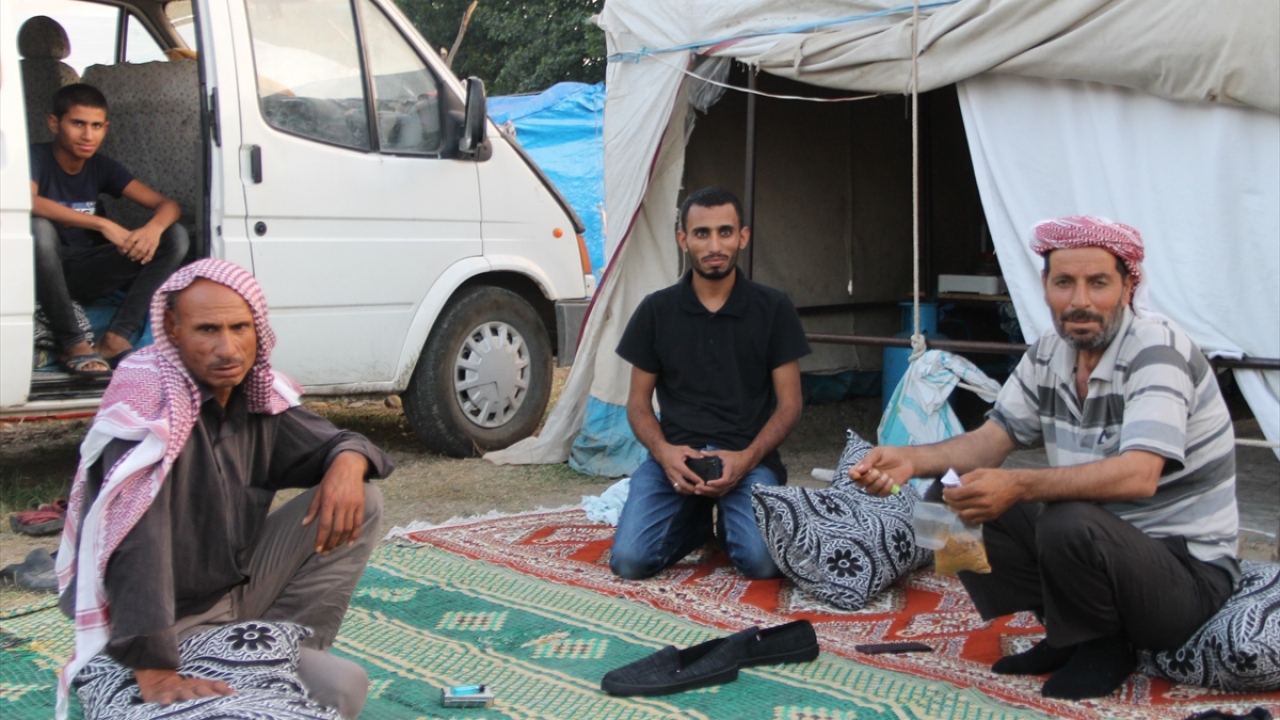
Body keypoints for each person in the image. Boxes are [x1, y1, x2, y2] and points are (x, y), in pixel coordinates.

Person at [850, 216, 1238, 700]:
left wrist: (1018, 486)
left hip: (1187, 576)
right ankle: (1064, 632)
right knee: (948, 495)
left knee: (1065, 519)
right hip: (1104, 551)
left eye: (1098, 283)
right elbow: (992, 440)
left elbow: (1140, 475)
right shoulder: (1049, 353)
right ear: (1044, 287)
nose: (1080, 301)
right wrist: (911, 459)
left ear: (1127, 288)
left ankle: (1104, 646)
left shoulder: (1155, 350)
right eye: (1064, 283)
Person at [55, 259, 393, 720]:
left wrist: (349, 462)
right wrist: (156, 672)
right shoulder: (147, 406)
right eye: (208, 330)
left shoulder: (253, 396)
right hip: (157, 627)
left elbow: (343, 443)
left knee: (363, 504)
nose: (227, 348)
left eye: (239, 328)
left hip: (233, 598)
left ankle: (274, 652)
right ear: (172, 329)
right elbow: (137, 545)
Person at [609, 186, 811, 580]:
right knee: (630, 562)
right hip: (676, 459)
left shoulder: (774, 308)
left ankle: (728, 524)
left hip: (747, 460)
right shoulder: (656, 310)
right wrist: (665, 454)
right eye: (702, 233)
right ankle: (695, 522)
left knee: (761, 563)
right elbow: (637, 403)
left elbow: (790, 405)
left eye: (725, 232)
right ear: (683, 240)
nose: (714, 244)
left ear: (743, 237)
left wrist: (746, 460)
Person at [31, 83, 189, 377]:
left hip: (83, 271)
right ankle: (71, 343)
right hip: (40, 273)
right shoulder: (37, 158)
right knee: (39, 230)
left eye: (96, 126)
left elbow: (168, 205)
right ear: (54, 123)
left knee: (175, 236)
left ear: (106, 128)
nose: (88, 135)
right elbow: (26, 200)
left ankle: (116, 338)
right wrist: (102, 224)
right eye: (78, 124)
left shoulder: (101, 167)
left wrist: (153, 229)